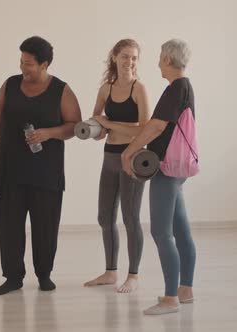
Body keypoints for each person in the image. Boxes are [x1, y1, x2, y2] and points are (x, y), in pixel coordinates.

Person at [0, 36, 82, 295]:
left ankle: (44, 274)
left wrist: (49, 133)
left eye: (28, 63)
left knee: (45, 226)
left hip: (46, 173)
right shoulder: (10, 85)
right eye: (21, 62)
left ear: (44, 64)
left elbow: (74, 126)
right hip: (11, 169)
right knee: (10, 225)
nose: (23, 68)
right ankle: (12, 277)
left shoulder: (62, 90)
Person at [121, 39, 196, 315]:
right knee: (180, 230)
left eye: (159, 57)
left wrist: (129, 151)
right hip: (177, 168)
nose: (157, 63)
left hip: (166, 169)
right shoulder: (184, 87)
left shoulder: (176, 88)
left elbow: (155, 126)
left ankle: (169, 298)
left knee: (161, 232)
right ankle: (184, 290)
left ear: (167, 59)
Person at [83, 39, 150, 293]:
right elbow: (97, 124)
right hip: (109, 156)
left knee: (130, 217)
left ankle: (133, 275)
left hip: (132, 157)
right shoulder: (105, 89)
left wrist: (108, 124)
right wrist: (94, 128)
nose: (129, 62)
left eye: (133, 58)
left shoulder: (138, 89)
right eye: (125, 56)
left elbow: (144, 128)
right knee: (104, 217)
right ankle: (111, 272)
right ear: (114, 57)